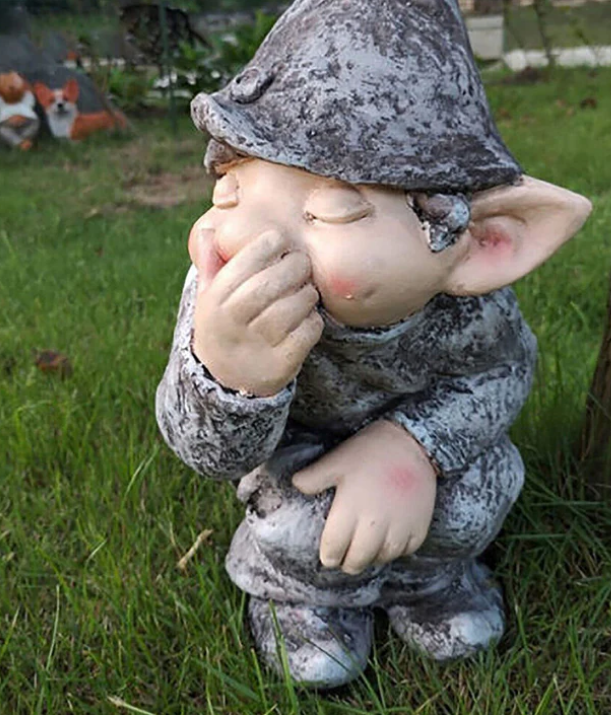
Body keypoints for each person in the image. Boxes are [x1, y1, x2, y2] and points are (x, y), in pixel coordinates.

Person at [156, 0, 591, 688]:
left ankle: (429, 582)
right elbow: (211, 454)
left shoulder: (469, 305)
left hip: (425, 456)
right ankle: (302, 599)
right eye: (232, 189)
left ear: (481, 242)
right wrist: (231, 375)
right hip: (302, 458)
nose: (249, 237)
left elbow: (502, 370)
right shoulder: (225, 294)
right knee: (299, 524)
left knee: (476, 493)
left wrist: (412, 445)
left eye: (334, 209)